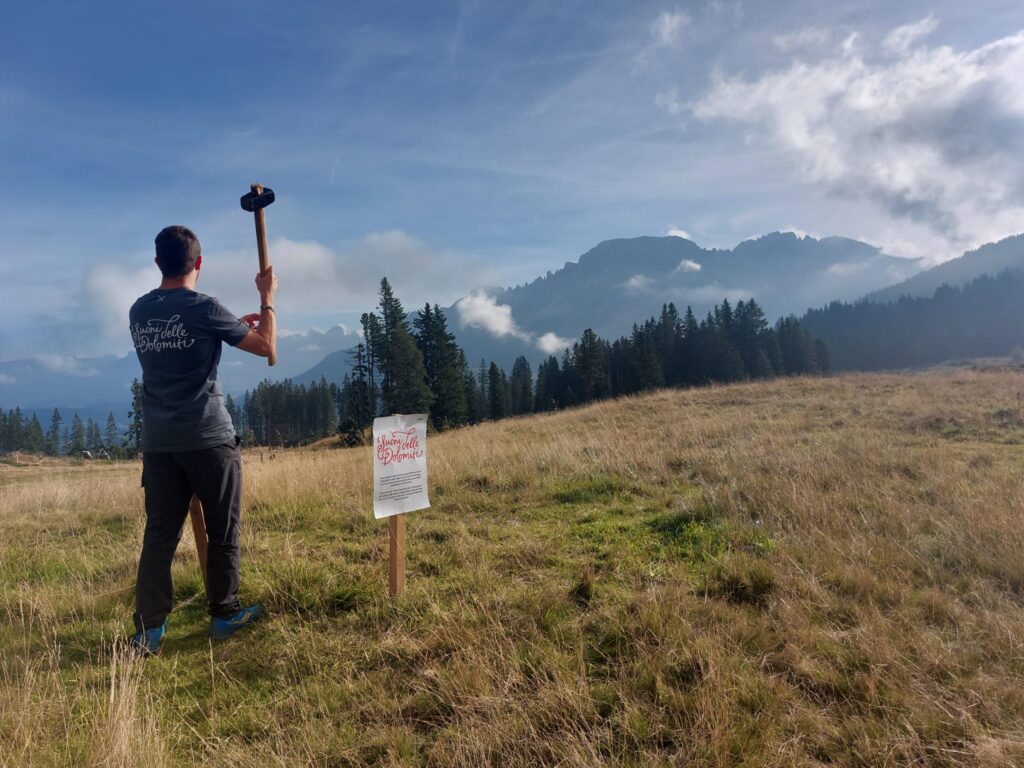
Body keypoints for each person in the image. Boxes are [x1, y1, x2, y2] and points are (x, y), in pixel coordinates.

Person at [128, 225, 278, 655]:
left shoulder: (139, 311)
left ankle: (149, 630)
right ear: (199, 262)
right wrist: (267, 298)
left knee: (159, 536)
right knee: (222, 528)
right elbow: (265, 345)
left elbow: (183, 340)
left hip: (160, 444)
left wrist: (228, 327)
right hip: (209, 438)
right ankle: (224, 613)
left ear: (158, 263)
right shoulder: (205, 308)